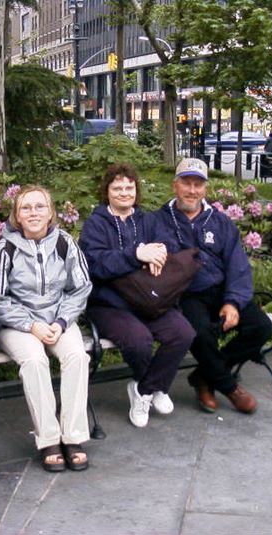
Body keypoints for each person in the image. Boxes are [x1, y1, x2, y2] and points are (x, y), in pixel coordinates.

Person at [79, 163, 195, 428]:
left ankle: (144, 389)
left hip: (150, 299)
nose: (123, 192)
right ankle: (153, 387)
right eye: (117, 187)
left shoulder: (148, 220)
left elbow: (170, 245)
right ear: (106, 191)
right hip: (109, 303)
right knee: (139, 340)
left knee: (182, 333)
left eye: (129, 187)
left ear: (136, 190)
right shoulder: (96, 224)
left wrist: (159, 252)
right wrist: (137, 254)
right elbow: (95, 264)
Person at [154, 158, 272, 414]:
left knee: (261, 327)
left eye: (198, 184)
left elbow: (238, 266)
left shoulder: (220, 222)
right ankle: (230, 388)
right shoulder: (158, 222)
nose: (192, 190)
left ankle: (204, 377)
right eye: (186, 183)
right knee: (199, 332)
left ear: (205, 189)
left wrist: (232, 302)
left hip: (221, 291)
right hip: (185, 296)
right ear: (175, 185)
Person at [0, 185, 93, 472]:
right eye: (26, 208)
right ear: (17, 216)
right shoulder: (4, 249)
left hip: (58, 320)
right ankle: (48, 439)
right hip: (17, 325)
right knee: (34, 360)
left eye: (40, 206)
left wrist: (60, 322)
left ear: (51, 213)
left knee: (77, 356)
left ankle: (72, 436)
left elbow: (80, 288)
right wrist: (31, 324)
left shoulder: (65, 243)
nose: (33, 213)